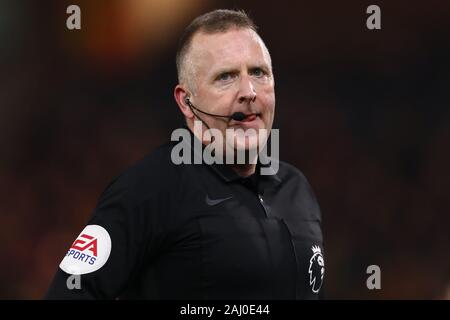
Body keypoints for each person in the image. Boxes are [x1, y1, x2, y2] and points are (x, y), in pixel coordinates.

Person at [45, 9, 325, 300]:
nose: (249, 91)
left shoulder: (298, 189)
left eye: (259, 72)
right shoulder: (148, 189)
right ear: (187, 103)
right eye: (226, 77)